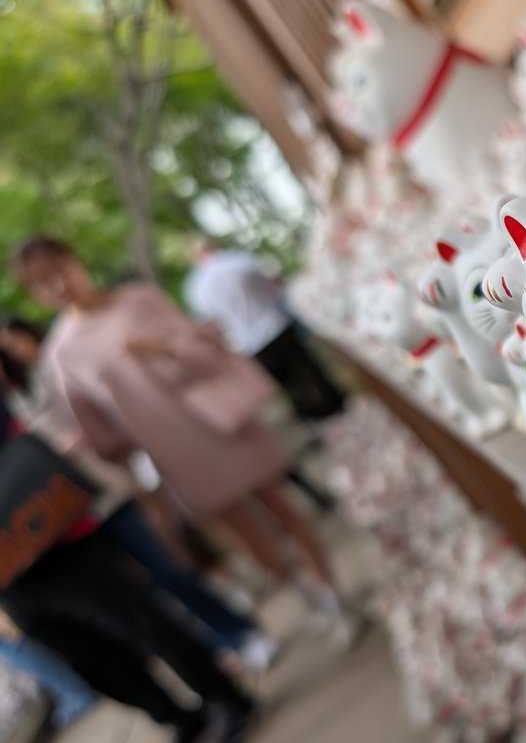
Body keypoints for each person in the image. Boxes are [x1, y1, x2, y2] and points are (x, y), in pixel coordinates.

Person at [13, 236, 360, 646]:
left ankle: (331, 590)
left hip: (215, 419)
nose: (58, 286)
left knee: (282, 506)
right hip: (168, 450)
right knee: (245, 533)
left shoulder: (140, 299)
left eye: (60, 271)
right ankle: (311, 595)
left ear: (75, 261)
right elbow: (97, 429)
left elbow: (208, 349)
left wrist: (163, 348)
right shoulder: (62, 353)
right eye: (42, 283)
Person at [0, 316, 278, 670]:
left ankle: (240, 631)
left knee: (169, 570)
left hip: (105, 494)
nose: (13, 352)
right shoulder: (16, 403)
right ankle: (215, 642)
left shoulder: (55, 370)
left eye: (13, 343)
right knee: (143, 593)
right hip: (62, 523)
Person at [0, 399, 258, 743]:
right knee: (92, 662)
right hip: (12, 580)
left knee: (146, 622)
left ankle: (228, 697)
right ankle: (177, 718)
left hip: (52, 536)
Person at [183, 237, 347, 421]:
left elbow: (209, 323)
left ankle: (310, 416)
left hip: (248, 343)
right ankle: (337, 404)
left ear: (195, 258)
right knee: (308, 367)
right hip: (275, 324)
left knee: (286, 384)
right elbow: (272, 282)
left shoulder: (196, 288)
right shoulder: (237, 261)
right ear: (213, 247)